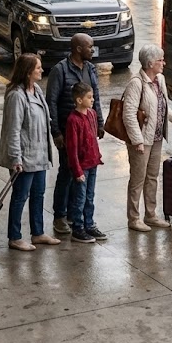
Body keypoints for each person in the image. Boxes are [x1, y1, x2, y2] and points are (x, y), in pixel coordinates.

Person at [0, 53, 62, 251]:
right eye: (38, 68)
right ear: (28, 72)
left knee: (39, 194)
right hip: (24, 157)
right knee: (20, 196)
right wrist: (15, 158)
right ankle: (15, 237)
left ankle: (38, 233)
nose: (41, 70)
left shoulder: (36, 90)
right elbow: (13, 130)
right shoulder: (16, 96)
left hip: (39, 154)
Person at [124, 44, 172, 231]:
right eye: (160, 60)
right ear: (150, 63)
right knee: (138, 179)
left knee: (152, 177)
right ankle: (134, 219)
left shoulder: (160, 79)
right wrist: (137, 141)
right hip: (142, 140)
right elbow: (128, 115)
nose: (164, 63)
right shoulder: (136, 83)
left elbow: (163, 104)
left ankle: (150, 215)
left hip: (157, 136)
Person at [46, 33, 103, 237]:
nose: (92, 50)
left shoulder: (90, 69)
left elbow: (95, 97)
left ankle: (75, 214)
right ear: (78, 49)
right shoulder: (60, 70)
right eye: (89, 46)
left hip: (86, 131)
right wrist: (56, 132)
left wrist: (100, 124)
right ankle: (60, 216)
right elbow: (51, 102)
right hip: (67, 131)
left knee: (82, 176)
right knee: (67, 173)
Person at [66, 82, 103, 244]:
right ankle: (78, 227)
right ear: (79, 100)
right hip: (82, 166)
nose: (92, 100)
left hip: (93, 162)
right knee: (80, 197)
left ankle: (89, 223)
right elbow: (72, 149)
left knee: (90, 196)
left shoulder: (92, 114)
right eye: (89, 97)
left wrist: (97, 155)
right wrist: (77, 170)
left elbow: (93, 138)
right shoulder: (73, 120)